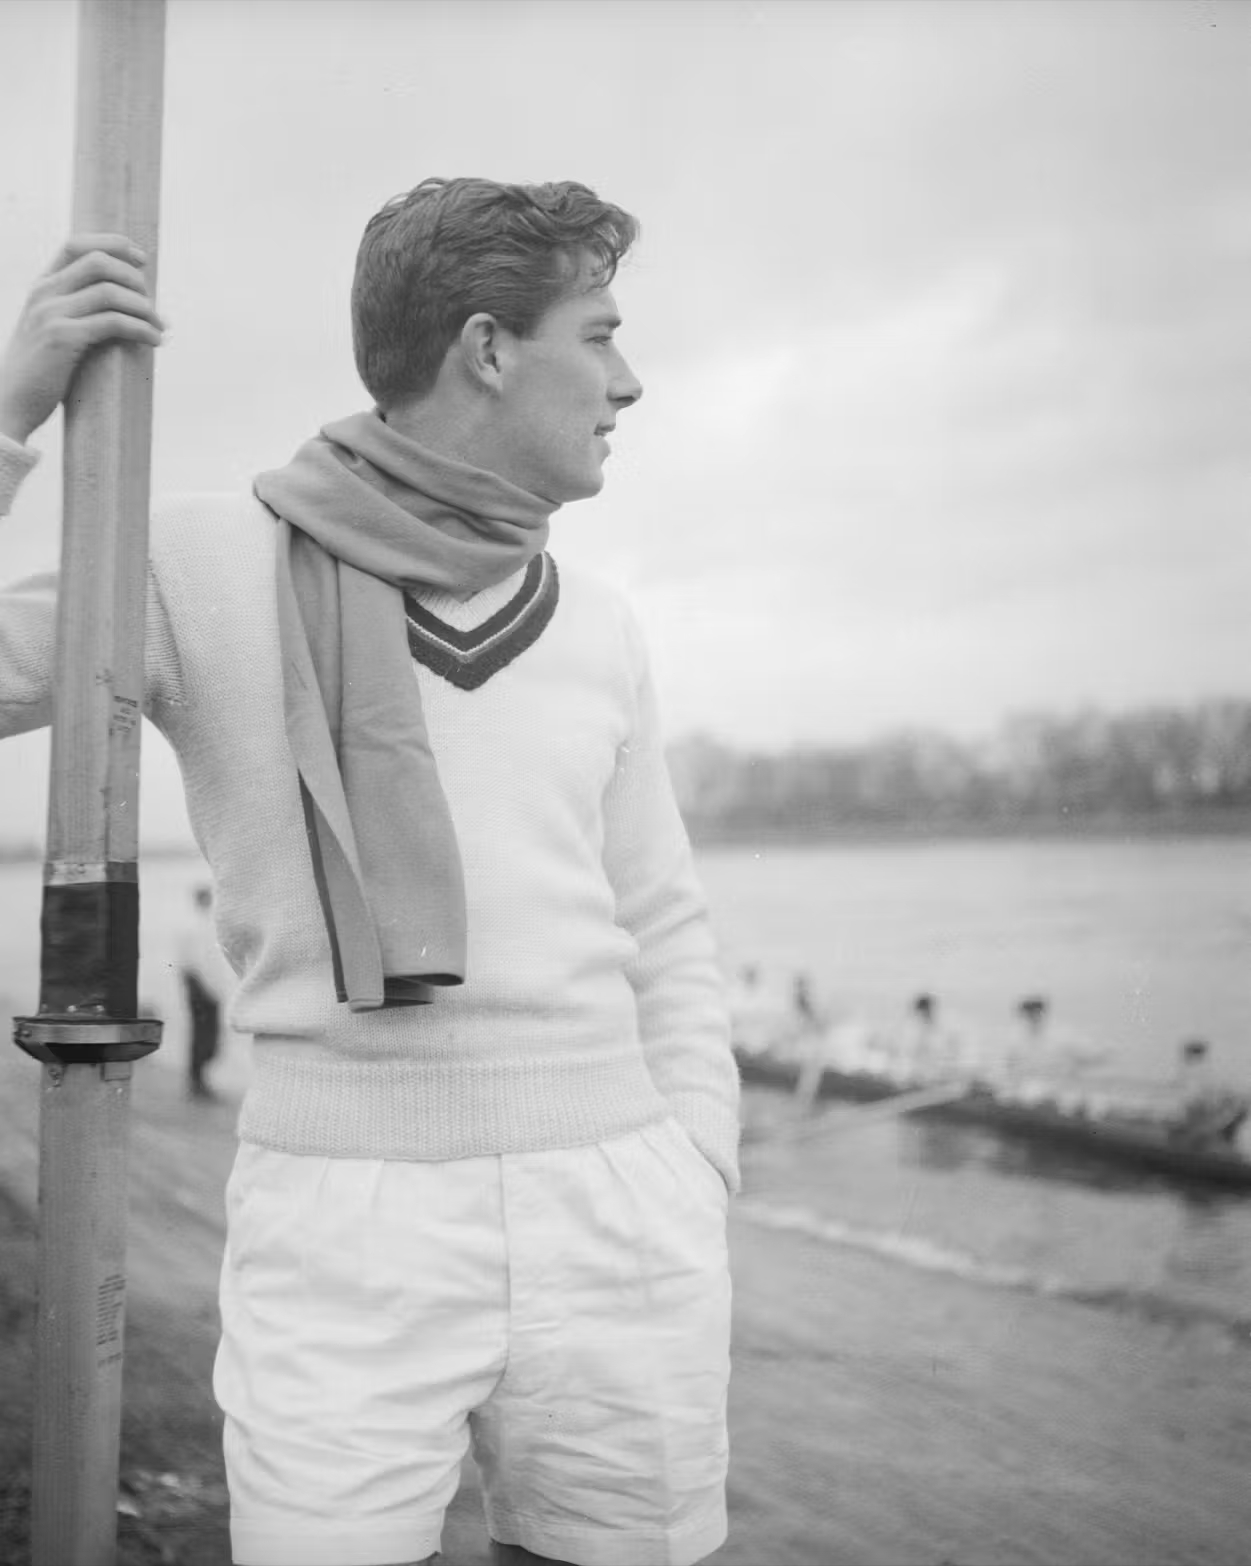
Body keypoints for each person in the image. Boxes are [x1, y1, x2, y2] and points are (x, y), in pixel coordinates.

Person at [0, 182, 740, 1566]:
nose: (628, 381)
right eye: (600, 334)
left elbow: (662, 918)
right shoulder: (192, 559)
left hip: (624, 1211)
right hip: (341, 1215)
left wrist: (694, 1151)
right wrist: (14, 410)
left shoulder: (600, 619)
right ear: (487, 349)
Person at [178, 882, 225, 1099]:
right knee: (205, 1032)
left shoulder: (198, 924)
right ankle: (198, 1080)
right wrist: (210, 990)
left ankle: (198, 1079)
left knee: (202, 1032)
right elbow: (198, 963)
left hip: (198, 984)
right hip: (200, 985)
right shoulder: (197, 926)